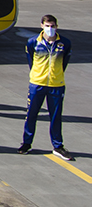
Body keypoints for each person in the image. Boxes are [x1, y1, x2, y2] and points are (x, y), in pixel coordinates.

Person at [19, 15, 74, 160]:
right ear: (41, 26)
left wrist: (56, 75)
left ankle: (58, 145)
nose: (50, 29)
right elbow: (31, 60)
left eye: (53, 26)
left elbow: (64, 62)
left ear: (57, 26)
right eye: (47, 26)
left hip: (56, 85)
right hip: (37, 84)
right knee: (31, 114)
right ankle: (26, 143)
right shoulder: (33, 42)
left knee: (56, 115)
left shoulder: (64, 43)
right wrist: (38, 75)